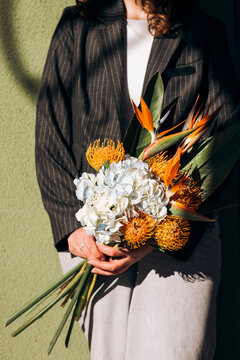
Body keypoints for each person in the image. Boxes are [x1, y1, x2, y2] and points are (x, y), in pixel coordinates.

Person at [35, 0, 239, 359]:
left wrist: (156, 238)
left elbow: (224, 143)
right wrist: (75, 231)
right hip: (96, 241)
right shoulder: (77, 27)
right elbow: (50, 137)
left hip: (179, 238)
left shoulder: (202, 32)